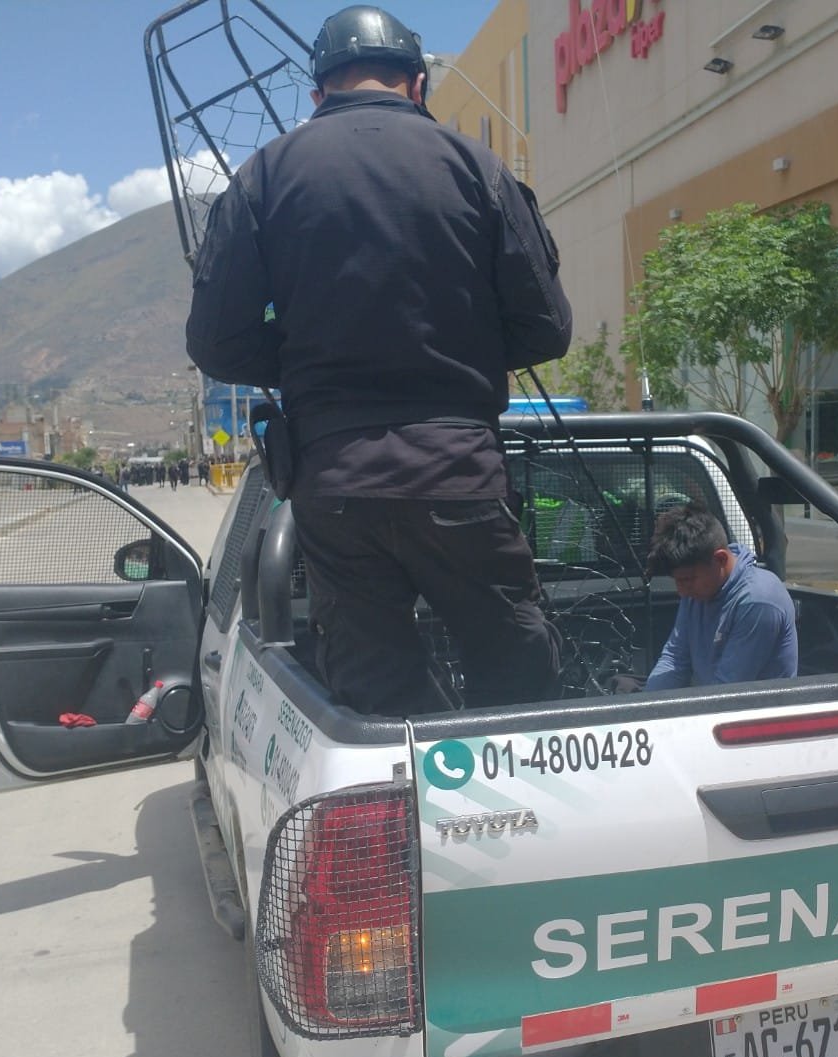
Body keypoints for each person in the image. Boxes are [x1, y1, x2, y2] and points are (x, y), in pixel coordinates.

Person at [186, 4, 572, 717]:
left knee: (376, 686)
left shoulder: (262, 178)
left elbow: (215, 342)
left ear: (318, 92)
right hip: (459, 472)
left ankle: (405, 819)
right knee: (515, 669)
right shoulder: (476, 167)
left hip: (335, 487)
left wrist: (310, 358)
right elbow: (546, 329)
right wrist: (458, 348)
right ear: (417, 83)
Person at [644, 503, 797, 690]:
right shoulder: (698, 590)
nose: (682, 591)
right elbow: (675, 659)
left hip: (750, 712)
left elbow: (728, 690)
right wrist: (646, 707)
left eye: (688, 579)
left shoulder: (758, 600)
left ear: (721, 559)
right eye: (677, 581)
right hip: (710, 703)